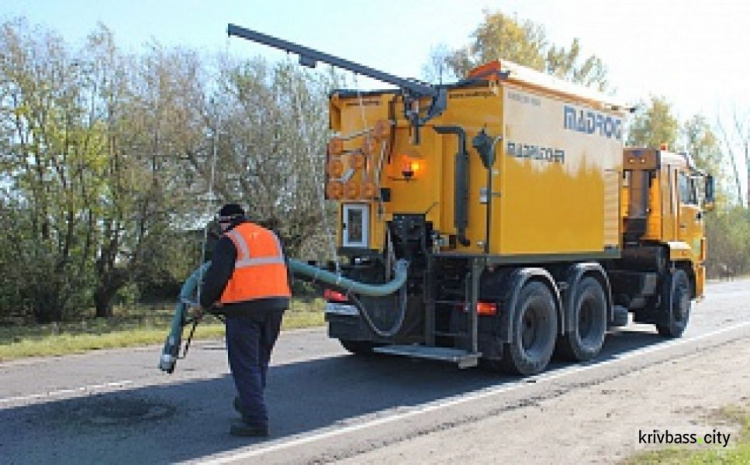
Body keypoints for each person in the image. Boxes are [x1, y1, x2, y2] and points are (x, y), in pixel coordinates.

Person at [199, 203, 291, 437]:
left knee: (245, 365)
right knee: (259, 362)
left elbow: (216, 277)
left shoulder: (230, 240)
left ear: (225, 221)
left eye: (220, 225)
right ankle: (248, 402)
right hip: (276, 305)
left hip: (245, 311)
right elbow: (284, 271)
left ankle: (256, 421)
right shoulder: (271, 236)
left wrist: (204, 303)